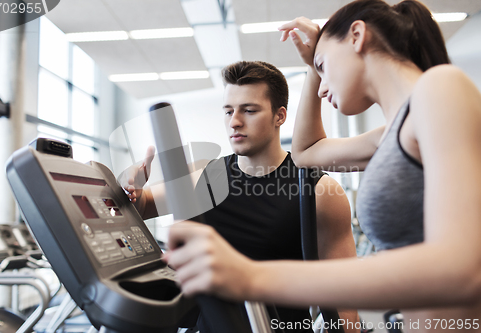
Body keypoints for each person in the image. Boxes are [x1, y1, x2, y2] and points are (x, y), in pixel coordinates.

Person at [163, 0, 481, 331]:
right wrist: (314, 67)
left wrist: (252, 276)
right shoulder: (392, 134)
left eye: (323, 67)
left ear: (357, 35)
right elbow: (307, 152)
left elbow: (464, 269)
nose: (324, 85)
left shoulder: (441, 85)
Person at [121, 61, 359, 332]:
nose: (234, 121)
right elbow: (141, 206)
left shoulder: (320, 192)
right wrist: (133, 188)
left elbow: (344, 298)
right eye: (228, 111)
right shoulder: (204, 178)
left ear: (279, 116)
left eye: (249, 110)